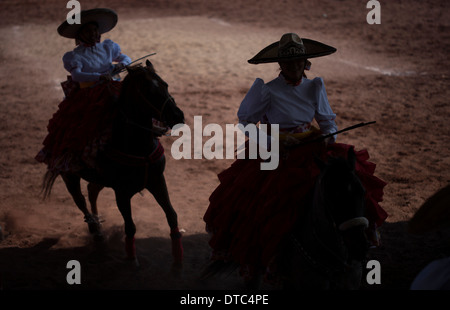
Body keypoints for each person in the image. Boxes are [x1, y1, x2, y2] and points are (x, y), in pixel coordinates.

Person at [203, 33, 388, 282]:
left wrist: (328, 137)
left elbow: (327, 121)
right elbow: (245, 124)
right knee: (266, 204)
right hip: (279, 152)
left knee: (352, 183)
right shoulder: (266, 90)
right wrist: (274, 141)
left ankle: (359, 239)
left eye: (298, 62)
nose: (294, 67)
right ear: (280, 65)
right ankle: (271, 260)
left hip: (313, 147)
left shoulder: (315, 86)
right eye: (288, 63)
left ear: (306, 63)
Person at [35, 8, 132, 173]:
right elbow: (77, 75)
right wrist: (99, 77)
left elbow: (125, 57)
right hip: (90, 93)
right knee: (90, 121)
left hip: (113, 85)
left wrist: (122, 63)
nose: (93, 34)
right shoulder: (75, 55)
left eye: (95, 30)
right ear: (80, 35)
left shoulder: (108, 47)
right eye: (89, 31)